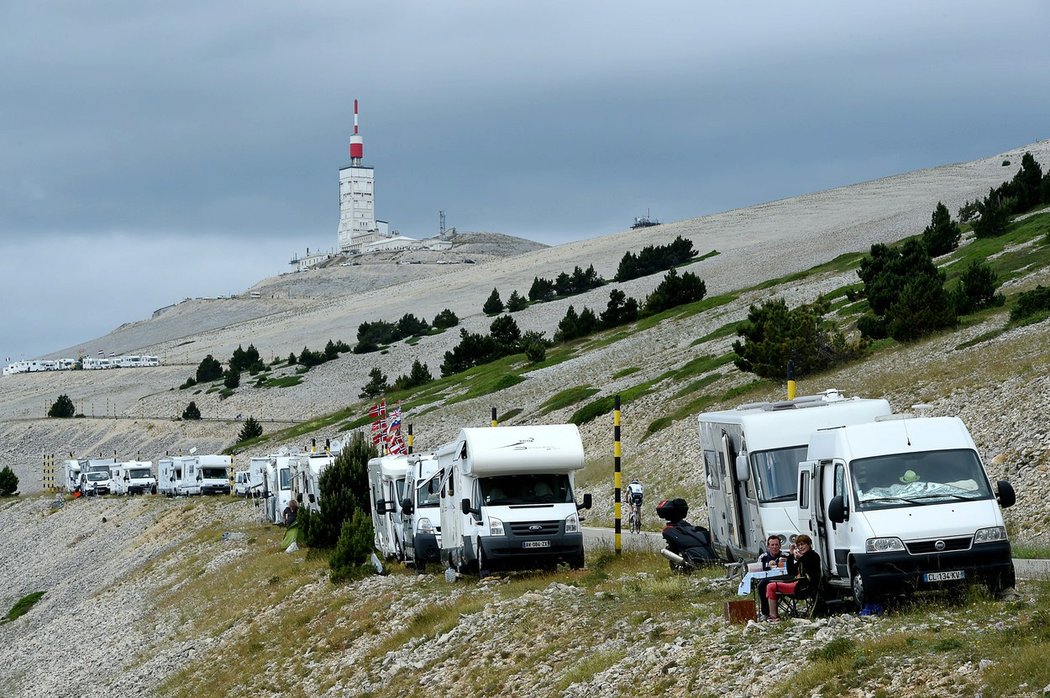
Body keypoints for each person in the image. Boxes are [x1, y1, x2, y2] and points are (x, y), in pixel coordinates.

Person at [765, 534, 821, 622]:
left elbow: (809, 568)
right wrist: (791, 555)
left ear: (809, 544)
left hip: (804, 588)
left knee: (770, 586)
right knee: (770, 585)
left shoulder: (812, 556)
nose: (801, 547)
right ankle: (771, 614)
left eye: (803, 544)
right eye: (798, 545)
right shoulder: (805, 556)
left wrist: (800, 558)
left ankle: (773, 615)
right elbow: (792, 571)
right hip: (801, 585)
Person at [756, 535, 789, 618]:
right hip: (767, 579)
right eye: (772, 545)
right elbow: (758, 569)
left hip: (782, 579)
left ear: (780, 546)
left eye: (776, 545)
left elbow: (792, 568)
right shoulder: (763, 557)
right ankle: (765, 612)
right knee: (761, 585)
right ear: (768, 546)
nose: (775, 547)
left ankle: (772, 612)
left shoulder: (785, 556)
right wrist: (767, 565)